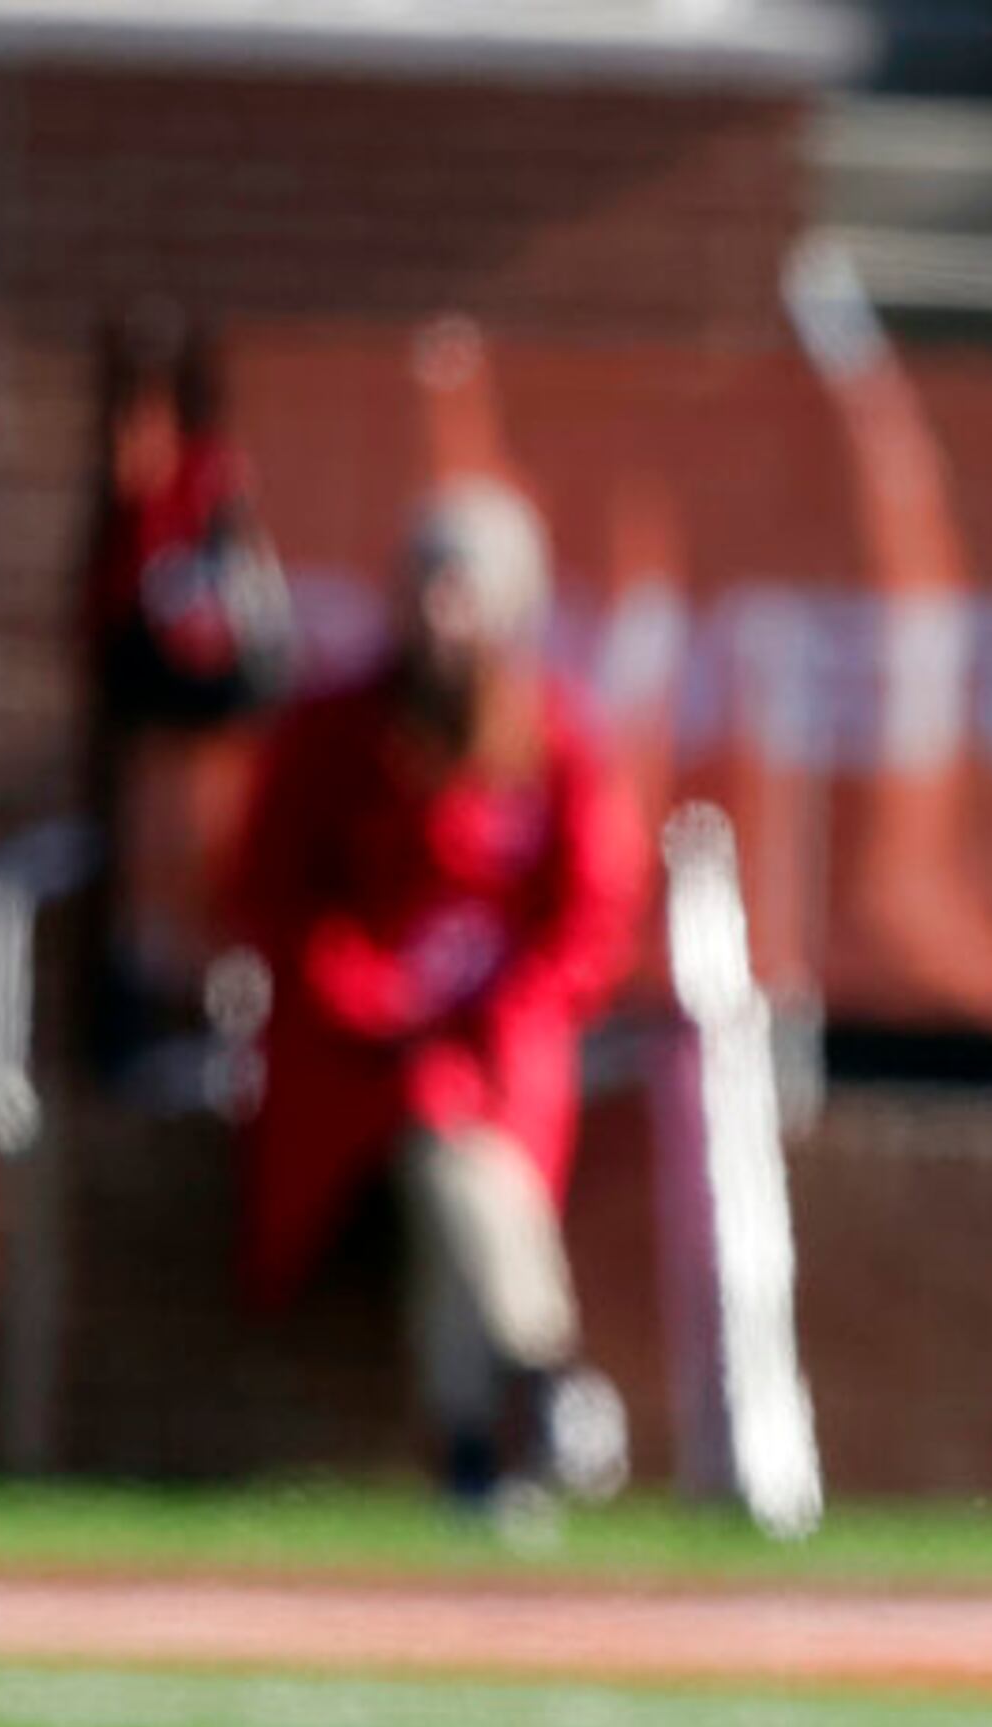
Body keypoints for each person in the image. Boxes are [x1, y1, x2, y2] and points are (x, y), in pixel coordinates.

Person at [218, 478, 642, 1520]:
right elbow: (273, 897)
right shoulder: (335, 731)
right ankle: (542, 1380)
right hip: (360, 1061)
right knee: (441, 1142)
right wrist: (378, 1000)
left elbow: (591, 919)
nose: (440, 615)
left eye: (464, 590)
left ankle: (475, 1446)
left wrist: (493, 1013)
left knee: (456, 1162)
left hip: (502, 1055)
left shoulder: (557, 743)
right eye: (426, 587)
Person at [77, 302, 293, 1076]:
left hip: (202, 730)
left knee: (202, 873)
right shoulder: (137, 517)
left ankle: (214, 1019)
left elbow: (245, 635)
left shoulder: (206, 495)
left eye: (147, 411)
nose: (128, 439)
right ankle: (140, 1022)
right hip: (157, 732)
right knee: (150, 881)